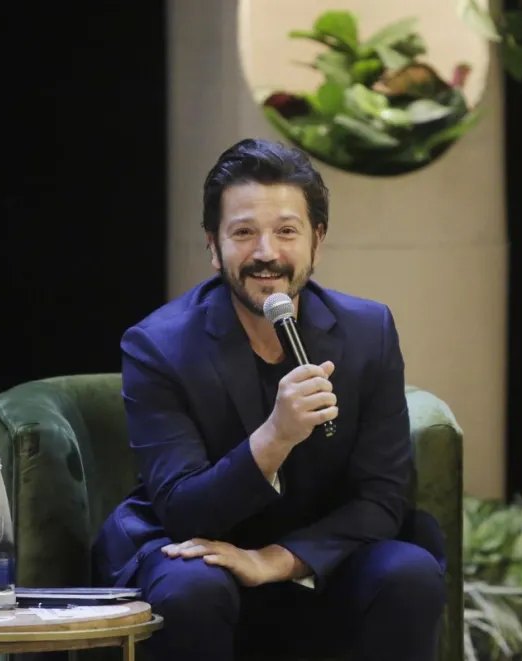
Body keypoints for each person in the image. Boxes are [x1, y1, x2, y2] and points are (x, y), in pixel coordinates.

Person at [92, 138, 448, 661]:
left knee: (407, 572)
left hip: (315, 556)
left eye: (286, 231)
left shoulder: (368, 331)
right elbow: (184, 511)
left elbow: (381, 498)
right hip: (196, 551)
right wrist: (275, 437)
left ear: (317, 241)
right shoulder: (159, 345)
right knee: (194, 585)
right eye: (243, 233)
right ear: (213, 245)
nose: (266, 254)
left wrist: (274, 560)